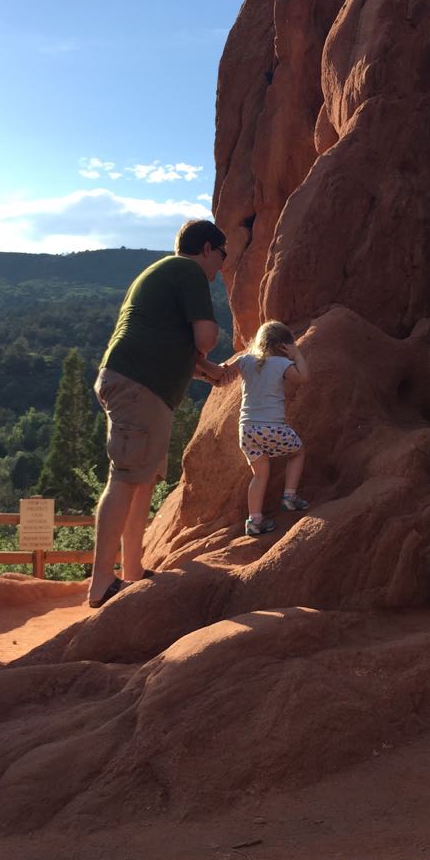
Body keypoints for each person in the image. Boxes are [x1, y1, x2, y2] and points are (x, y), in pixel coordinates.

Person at [87, 219, 227, 607]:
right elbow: (205, 338)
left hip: (137, 385)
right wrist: (209, 349)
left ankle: (132, 571)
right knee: (125, 478)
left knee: (142, 479)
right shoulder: (188, 271)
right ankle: (101, 583)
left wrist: (209, 372)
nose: (222, 266)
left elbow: (175, 346)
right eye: (222, 255)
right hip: (139, 386)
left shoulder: (163, 272)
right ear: (206, 249)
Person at [231, 320, 309, 537]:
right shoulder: (281, 363)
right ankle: (290, 497)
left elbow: (222, 374)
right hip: (271, 427)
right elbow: (303, 378)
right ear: (283, 346)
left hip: (247, 430)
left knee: (259, 474)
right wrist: (297, 355)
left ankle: (254, 521)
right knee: (297, 453)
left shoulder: (245, 361)